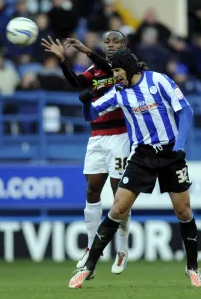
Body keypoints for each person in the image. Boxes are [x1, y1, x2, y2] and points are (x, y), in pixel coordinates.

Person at [68, 49, 201, 288]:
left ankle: (192, 268)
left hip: (171, 153)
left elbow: (185, 111)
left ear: (130, 68)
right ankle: (89, 267)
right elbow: (91, 114)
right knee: (118, 208)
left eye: (118, 71)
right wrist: (85, 102)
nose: (116, 76)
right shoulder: (119, 93)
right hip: (141, 155)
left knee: (183, 211)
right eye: (113, 72)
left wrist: (180, 146)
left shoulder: (158, 80)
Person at [41, 31, 131, 274]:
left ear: (125, 46)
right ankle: (92, 248)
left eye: (116, 42)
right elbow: (77, 82)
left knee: (119, 197)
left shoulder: (125, 67)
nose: (111, 45)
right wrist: (63, 60)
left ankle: (121, 250)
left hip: (120, 137)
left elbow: (109, 64)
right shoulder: (96, 70)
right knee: (92, 189)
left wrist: (85, 50)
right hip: (97, 137)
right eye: (107, 42)